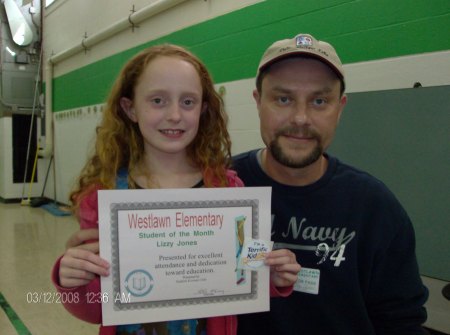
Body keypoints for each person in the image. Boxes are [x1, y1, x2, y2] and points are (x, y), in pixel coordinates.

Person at [51, 44, 301, 335]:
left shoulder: (228, 188)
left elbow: (248, 271)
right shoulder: (102, 197)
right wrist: (73, 279)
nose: (174, 115)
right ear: (130, 108)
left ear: (203, 109)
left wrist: (273, 275)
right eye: (158, 100)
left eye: (188, 102)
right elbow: (96, 307)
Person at [233, 33, 429, 334]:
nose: (300, 118)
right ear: (258, 102)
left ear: (340, 107)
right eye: (283, 99)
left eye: (320, 101)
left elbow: (402, 322)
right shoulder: (216, 187)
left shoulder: (374, 207)